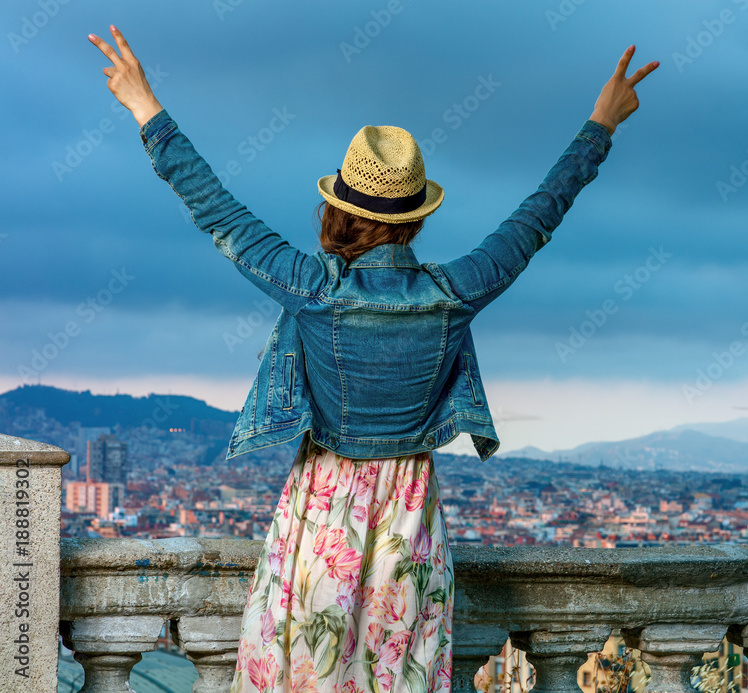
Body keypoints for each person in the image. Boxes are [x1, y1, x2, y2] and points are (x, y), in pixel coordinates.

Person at [89, 23, 658, 693]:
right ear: (415, 217)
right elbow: (537, 218)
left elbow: (217, 210)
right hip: (409, 520)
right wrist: (600, 125)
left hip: (323, 513)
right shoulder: (453, 294)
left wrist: (145, 106)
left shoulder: (312, 289)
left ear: (337, 208)